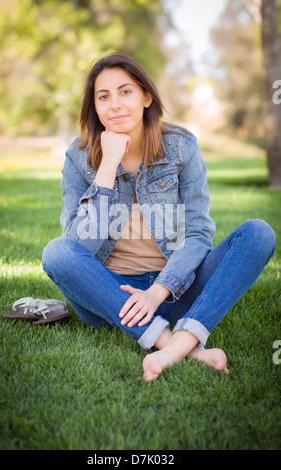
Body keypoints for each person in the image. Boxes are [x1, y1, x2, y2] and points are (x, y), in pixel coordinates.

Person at [42, 53, 276, 382]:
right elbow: (80, 247)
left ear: (146, 97)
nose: (115, 105)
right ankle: (180, 346)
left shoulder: (181, 148)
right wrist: (107, 168)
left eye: (126, 92)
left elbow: (197, 235)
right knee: (57, 251)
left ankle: (171, 344)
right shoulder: (79, 157)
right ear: (94, 107)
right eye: (103, 96)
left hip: (175, 290)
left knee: (258, 233)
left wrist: (158, 291)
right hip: (109, 297)